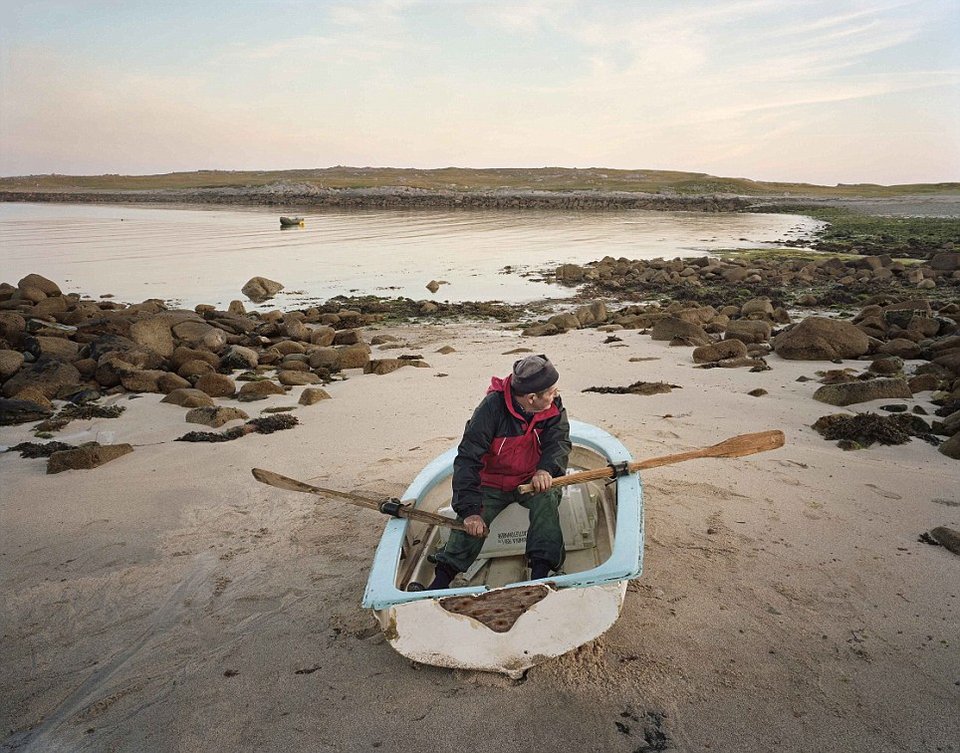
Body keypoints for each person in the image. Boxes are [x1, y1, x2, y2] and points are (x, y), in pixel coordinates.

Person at [426, 354, 571, 590]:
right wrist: (470, 511)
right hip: (490, 484)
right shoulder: (491, 409)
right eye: (551, 391)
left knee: (547, 498)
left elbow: (559, 442)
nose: (556, 395)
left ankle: (540, 575)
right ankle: (441, 580)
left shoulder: (553, 406)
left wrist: (546, 470)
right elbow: (467, 458)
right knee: (471, 521)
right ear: (532, 398)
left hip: (529, 481)